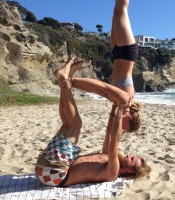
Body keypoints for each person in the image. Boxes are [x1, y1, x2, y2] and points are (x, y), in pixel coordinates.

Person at [35, 58, 151, 187]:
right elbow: (109, 133)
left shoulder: (113, 172)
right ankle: (64, 80)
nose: (130, 155)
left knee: (75, 125)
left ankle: (64, 79)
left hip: (56, 174)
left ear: (130, 169)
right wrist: (113, 110)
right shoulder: (108, 157)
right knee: (67, 124)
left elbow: (114, 140)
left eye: (132, 159)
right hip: (48, 167)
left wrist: (119, 111)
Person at [68, 0, 141, 132]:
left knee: (115, 11)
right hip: (127, 52)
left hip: (117, 53)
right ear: (130, 119)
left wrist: (71, 82)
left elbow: (99, 91)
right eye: (125, 127)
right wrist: (72, 81)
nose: (122, 128)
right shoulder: (125, 100)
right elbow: (100, 85)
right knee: (120, 10)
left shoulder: (118, 106)